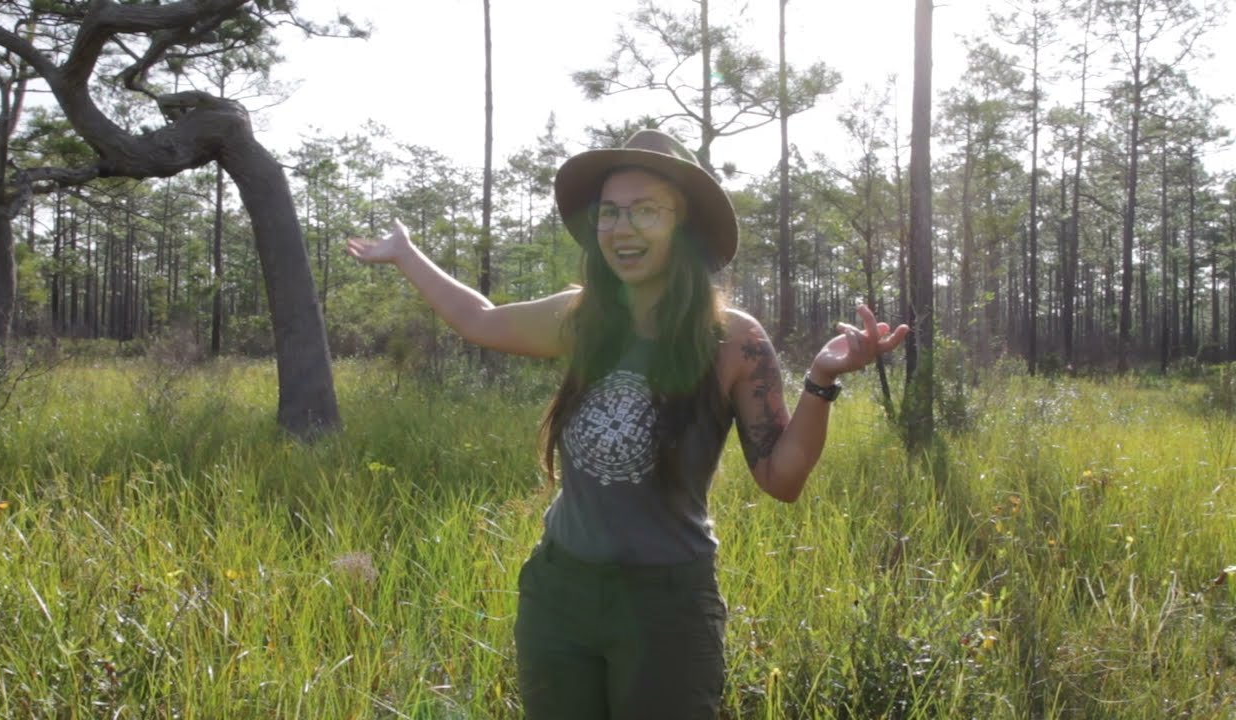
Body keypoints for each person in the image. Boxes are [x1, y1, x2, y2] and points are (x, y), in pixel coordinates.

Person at [346, 129, 907, 720]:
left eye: (645, 210)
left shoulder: (733, 339)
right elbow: (479, 319)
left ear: (682, 225)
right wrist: (407, 253)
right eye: (610, 212)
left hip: (666, 604)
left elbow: (781, 478)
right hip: (558, 593)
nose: (621, 227)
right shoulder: (581, 317)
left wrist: (821, 380)